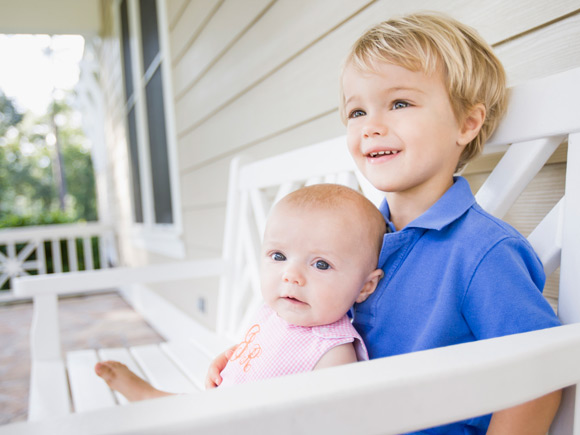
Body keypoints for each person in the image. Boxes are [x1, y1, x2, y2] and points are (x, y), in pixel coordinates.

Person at [207, 12, 562, 434]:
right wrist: (252, 357)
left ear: (467, 123)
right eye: (357, 112)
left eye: (399, 103)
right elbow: (315, 326)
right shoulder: (349, 237)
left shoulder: (481, 251)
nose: (371, 127)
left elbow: (538, 376)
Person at [95, 184, 386, 399]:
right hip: (230, 405)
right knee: (199, 413)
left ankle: (155, 402)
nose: (291, 276)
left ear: (365, 287)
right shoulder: (277, 309)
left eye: (321, 264)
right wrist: (232, 357)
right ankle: (159, 402)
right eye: (279, 256)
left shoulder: (333, 353)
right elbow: (267, 350)